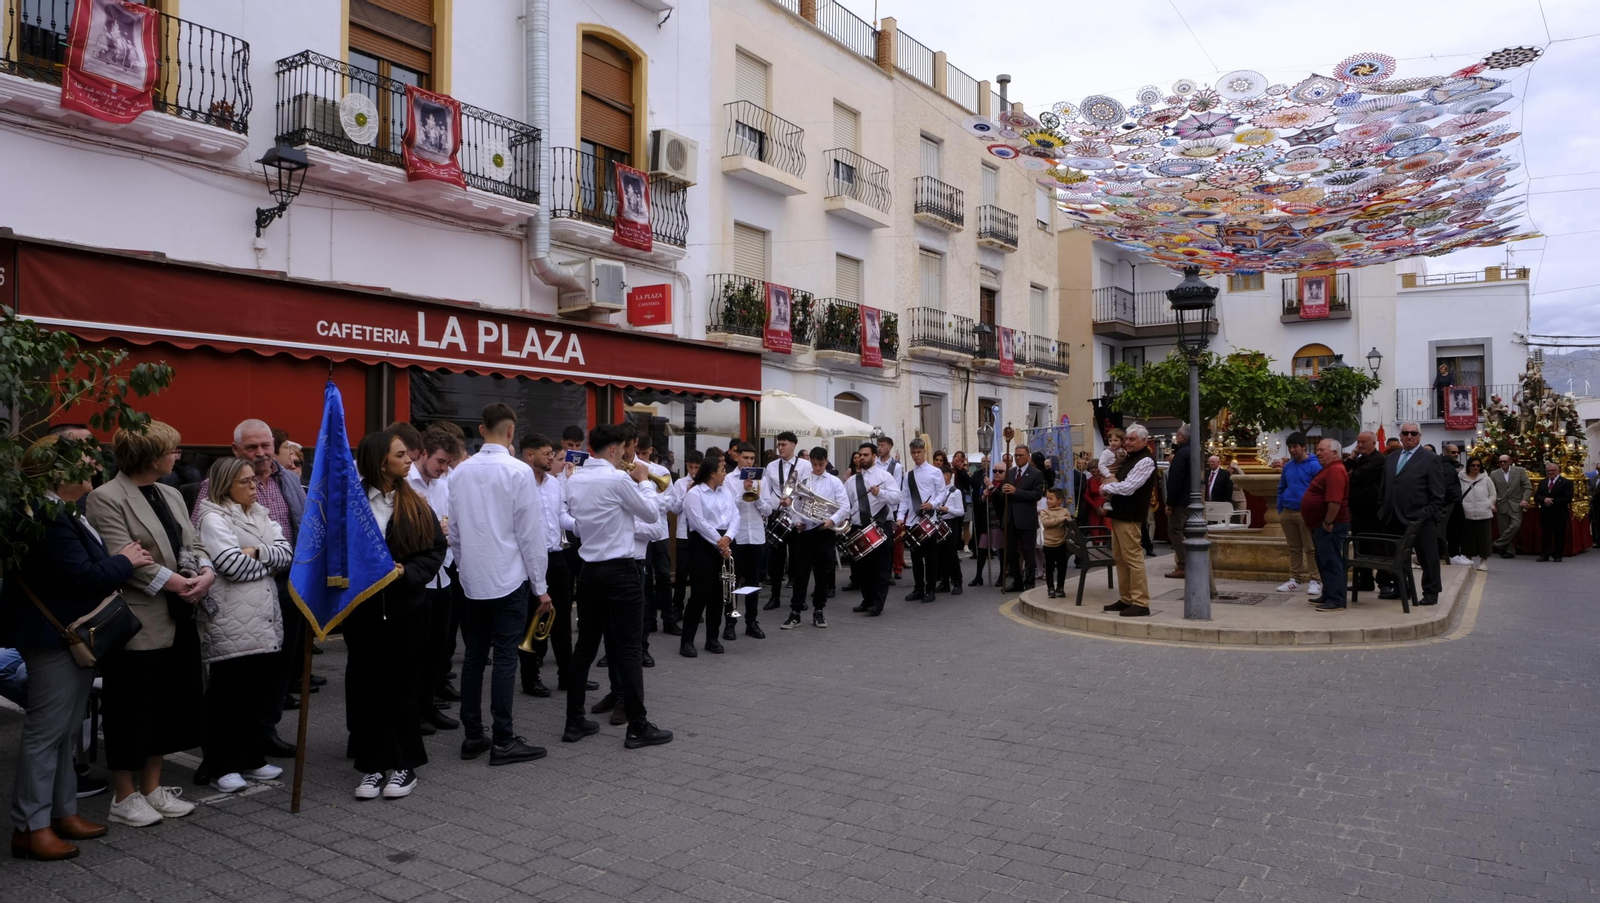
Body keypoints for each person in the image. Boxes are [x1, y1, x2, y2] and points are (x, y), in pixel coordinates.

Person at [4, 437, 147, 860]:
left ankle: (62, 813)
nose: (94, 464)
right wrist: (125, 560)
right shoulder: (42, 515)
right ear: (57, 470)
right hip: (55, 639)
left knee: (66, 732)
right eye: (85, 459)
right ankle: (30, 827)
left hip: (75, 638)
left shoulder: (64, 511)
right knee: (46, 734)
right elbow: (82, 577)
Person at [86, 421, 213, 828]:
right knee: (130, 710)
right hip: (138, 622)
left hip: (180, 614)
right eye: (172, 450)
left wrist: (204, 575)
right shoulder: (106, 498)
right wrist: (182, 584)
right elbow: (126, 559)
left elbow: (192, 543)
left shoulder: (171, 492)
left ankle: (153, 788)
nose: (178, 456)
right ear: (151, 455)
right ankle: (124, 796)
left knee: (167, 706)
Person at [190, 418, 306, 760]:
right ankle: (222, 754)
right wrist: (271, 560)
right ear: (236, 450)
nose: (260, 453)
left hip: (286, 586)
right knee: (234, 676)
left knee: (277, 667)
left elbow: (291, 542)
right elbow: (208, 545)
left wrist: (261, 554)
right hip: (238, 594)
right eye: (251, 447)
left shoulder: (288, 479)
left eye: (265, 445)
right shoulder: (217, 487)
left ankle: (263, 733)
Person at [346, 430, 448, 799]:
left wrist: (409, 573)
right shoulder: (351, 504)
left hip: (407, 610)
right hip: (365, 612)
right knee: (370, 689)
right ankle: (372, 766)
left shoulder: (416, 503)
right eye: (400, 455)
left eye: (407, 455)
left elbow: (435, 549)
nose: (408, 460)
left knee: (405, 689)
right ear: (379, 461)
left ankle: (405, 765)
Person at [447, 404, 550, 767]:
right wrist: (541, 585)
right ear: (511, 432)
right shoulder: (518, 472)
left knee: (475, 655)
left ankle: (473, 735)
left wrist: (465, 567)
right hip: (508, 577)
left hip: (473, 578)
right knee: (505, 656)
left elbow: (455, 532)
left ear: (481, 428)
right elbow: (530, 534)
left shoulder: (460, 473)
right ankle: (503, 738)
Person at [565, 425, 672, 749]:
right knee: (627, 649)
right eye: (623, 450)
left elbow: (580, 528)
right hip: (621, 572)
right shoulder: (619, 479)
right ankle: (638, 726)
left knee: (585, 647)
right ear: (613, 450)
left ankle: (573, 721)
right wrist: (643, 481)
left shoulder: (574, 479)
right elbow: (652, 513)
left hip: (589, 572)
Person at [194, 458, 293, 794]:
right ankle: (222, 765)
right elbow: (230, 565)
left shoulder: (259, 514)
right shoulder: (213, 518)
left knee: (257, 693)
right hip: (231, 621)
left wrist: (256, 554)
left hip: (262, 620)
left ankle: (250, 757)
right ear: (225, 486)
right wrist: (265, 561)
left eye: (254, 481)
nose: (255, 487)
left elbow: (286, 553)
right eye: (246, 482)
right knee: (227, 695)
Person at [514, 433, 576, 700]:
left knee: (561, 620)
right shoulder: (519, 483)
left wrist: (581, 524)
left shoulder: (553, 484)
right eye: (547, 453)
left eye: (553, 453)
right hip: (527, 559)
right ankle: (530, 679)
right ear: (530, 455)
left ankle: (567, 676)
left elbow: (560, 516)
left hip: (556, 557)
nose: (553, 457)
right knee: (531, 621)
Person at [407, 427, 461, 732]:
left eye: (447, 463)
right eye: (440, 461)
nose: (443, 468)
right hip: (419, 577)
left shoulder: (442, 484)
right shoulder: (406, 484)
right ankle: (413, 711)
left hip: (443, 572)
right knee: (418, 649)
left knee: (439, 647)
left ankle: (428, 705)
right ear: (423, 454)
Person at [1380, 422, 1446, 605]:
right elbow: (1384, 487)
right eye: (1406, 433)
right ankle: (1403, 588)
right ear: (1400, 436)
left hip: (1420, 518)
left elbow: (1438, 493)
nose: (1409, 436)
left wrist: (1426, 513)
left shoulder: (1430, 458)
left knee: (1428, 557)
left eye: (1413, 433)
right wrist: (1383, 509)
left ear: (1419, 436)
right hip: (1394, 517)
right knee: (1398, 557)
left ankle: (1431, 592)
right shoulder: (1391, 458)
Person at [781, 447, 846, 629]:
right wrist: (797, 521)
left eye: (821, 464)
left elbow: (845, 507)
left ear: (826, 461)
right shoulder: (803, 480)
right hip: (805, 532)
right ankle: (795, 613)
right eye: (814, 464)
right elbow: (794, 505)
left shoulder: (834, 482)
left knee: (822, 573)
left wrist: (831, 520)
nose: (817, 467)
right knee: (800, 573)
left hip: (824, 532)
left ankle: (819, 611)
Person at [680, 451, 735, 654]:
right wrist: (720, 543)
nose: (724, 474)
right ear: (712, 473)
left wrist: (728, 538)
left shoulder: (726, 492)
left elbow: (734, 516)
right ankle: (687, 640)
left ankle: (712, 638)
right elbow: (699, 523)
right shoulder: (695, 494)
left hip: (724, 543)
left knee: (718, 595)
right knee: (700, 594)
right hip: (703, 545)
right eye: (722, 470)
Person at [1100, 424, 1156, 617]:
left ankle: (1140, 602)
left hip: (1130, 516)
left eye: (1132, 439)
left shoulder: (1145, 460)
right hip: (1119, 514)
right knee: (1120, 558)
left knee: (1133, 559)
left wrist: (1107, 489)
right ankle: (1126, 598)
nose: (1128, 442)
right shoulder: (1129, 458)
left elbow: (1128, 487)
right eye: (1127, 439)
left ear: (1144, 440)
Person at [845, 444, 900, 616]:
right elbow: (847, 505)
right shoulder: (852, 480)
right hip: (859, 526)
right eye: (860, 455)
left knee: (880, 568)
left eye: (866, 455)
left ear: (874, 456)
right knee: (862, 569)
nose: (862, 458)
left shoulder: (885, 476)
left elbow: (897, 497)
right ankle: (867, 599)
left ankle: (878, 603)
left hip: (880, 525)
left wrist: (880, 493)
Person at [1302, 439, 1350, 613]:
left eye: (1322, 450)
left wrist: (1328, 522)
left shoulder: (1336, 470)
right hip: (1322, 525)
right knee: (1323, 560)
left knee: (1331, 561)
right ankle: (1328, 593)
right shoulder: (1329, 470)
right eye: (1317, 450)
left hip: (1331, 526)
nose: (1318, 453)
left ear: (1335, 453)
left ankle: (1336, 599)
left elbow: (1335, 501)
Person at [725, 442, 768, 637]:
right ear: (737, 457)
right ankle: (730, 622)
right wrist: (743, 493)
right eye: (745, 458)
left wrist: (756, 496)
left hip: (756, 536)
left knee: (753, 582)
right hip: (737, 537)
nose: (749, 462)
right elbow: (726, 509)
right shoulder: (728, 479)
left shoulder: (762, 479)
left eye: (752, 458)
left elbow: (767, 510)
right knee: (733, 582)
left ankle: (751, 621)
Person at [898, 439, 949, 603]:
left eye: (918, 452)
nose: (916, 455)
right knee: (915, 558)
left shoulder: (935, 472)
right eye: (913, 452)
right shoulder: (908, 475)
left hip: (929, 520)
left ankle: (931, 589)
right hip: (913, 521)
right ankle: (918, 588)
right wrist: (900, 517)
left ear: (924, 451)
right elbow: (904, 498)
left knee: (931, 557)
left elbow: (942, 493)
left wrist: (932, 504)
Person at [1274, 433, 1321, 596]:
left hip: (1306, 513)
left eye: (1295, 447)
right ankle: (1295, 579)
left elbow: (1319, 490)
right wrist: (1280, 508)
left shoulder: (1315, 466)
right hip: (1288, 511)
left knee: (1311, 548)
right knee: (1293, 548)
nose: (1292, 450)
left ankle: (1315, 580)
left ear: (1303, 447)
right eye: (1290, 447)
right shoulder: (1288, 467)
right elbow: (1281, 487)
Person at [1345, 431, 1391, 594]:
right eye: (1358, 442)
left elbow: (1357, 477)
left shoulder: (1379, 460)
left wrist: (1351, 473)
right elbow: (1344, 472)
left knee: (1377, 548)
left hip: (1374, 514)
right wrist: (1351, 458)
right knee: (1360, 548)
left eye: (1364, 442)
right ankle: (1364, 581)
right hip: (1358, 512)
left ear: (1373, 443)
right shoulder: (1359, 460)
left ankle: (1384, 582)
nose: (1360, 445)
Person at [760, 432, 802, 611]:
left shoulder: (805, 465)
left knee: (798, 559)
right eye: (779, 444)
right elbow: (766, 490)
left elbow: (807, 490)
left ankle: (799, 598)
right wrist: (770, 506)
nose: (780, 447)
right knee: (775, 560)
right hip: (777, 515)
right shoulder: (771, 466)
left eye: (784, 444)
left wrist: (793, 500)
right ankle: (774, 597)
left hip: (797, 516)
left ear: (793, 445)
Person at [666, 450, 702, 634]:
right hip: (682, 533)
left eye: (697, 467)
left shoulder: (704, 483)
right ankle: (677, 607)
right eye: (691, 467)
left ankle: (695, 607)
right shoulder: (680, 483)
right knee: (681, 573)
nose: (694, 471)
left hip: (699, 534)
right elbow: (674, 508)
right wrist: (686, 493)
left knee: (697, 574)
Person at [1002, 443, 1045, 592]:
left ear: (1028, 456)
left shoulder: (1036, 474)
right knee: (1011, 552)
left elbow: (1036, 495)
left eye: (1021, 455)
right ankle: (1017, 580)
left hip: (1026, 518)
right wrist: (1002, 490)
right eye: (1016, 455)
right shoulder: (1010, 472)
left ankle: (1029, 581)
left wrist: (1016, 492)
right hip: (1011, 518)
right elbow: (1005, 493)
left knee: (1028, 552)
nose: (1018, 458)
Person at [1164, 424, 1195, 579]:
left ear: (1183, 437)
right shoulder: (1195, 451)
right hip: (1193, 498)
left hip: (1181, 500)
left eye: (1177, 435)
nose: (1176, 438)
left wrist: (1170, 502)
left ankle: (1183, 565)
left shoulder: (1182, 453)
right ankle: (1192, 562)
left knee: (1175, 530)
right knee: (1190, 531)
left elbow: (1175, 479)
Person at [1457, 457, 1497, 571]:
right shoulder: (1460, 479)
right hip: (1466, 513)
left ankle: (1484, 561)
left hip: (1483, 513)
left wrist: (1488, 504)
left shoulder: (1486, 479)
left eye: (1478, 465)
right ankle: (1468, 560)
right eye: (1473, 465)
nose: (1475, 468)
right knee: (1468, 538)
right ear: (1468, 466)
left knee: (1484, 538)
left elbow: (1493, 494)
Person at [1489, 454, 1531, 559]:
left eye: (1504, 461)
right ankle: (1509, 551)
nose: (1502, 463)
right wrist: (1492, 503)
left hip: (1516, 504)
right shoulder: (1494, 474)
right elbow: (1491, 490)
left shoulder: (1519, 471)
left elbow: (1527, 487)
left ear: (1510, 461)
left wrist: (1525, 499)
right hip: (1501, 504)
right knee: (1503, 529)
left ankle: (1496, 544)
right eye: (1500, 462)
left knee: (1516, 525)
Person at [876, 437, 904, 581]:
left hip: (889, 507)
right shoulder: (873, 464)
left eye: (883, 445)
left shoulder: (896, 466)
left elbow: (896, 488)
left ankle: (892, 570)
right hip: (874, 507)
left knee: (890, 542)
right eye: (878, 445)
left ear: (890, 447)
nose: (880, 448)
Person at [935, 462, 965, 596]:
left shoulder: (955, 492)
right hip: (939, 522)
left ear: (948, 476)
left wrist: (948, 509)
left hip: (951, 522)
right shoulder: (937, 491)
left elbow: (961, 511)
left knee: (952, 554)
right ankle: (944, 582)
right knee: (940, 554)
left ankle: (957, 582)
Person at [1534, 462, 1572, 562]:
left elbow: (1567, 497)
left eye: (1552, 470)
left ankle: (1558, 554)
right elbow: (1537, 496)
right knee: (1545, 535)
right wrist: (1544, 499)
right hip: (1545, 513)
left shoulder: (1566, 482)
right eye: (1548, 471)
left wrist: (1552, 502)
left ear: (1558, 470)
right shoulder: (1543, 482)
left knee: (1559, 535)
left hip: (1559, 513)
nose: (1550, 472)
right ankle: (1545, 554)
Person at [1038, 488, 1070, 599]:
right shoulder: (1044, 511)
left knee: (1062, 567)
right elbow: (1047, 523)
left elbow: (1069, 524)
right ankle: (1050, 588)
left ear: (1059, 500)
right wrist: (1061, 519)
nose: (1048, 501)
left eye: (1051, 498)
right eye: (1047, 498)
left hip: (1062, 543)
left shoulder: (1065, 511)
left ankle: (1060, 587)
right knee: (1049, 568)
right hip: (1049, 545)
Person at [1440, 444, 1468, 565]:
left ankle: (1456, 553)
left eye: (1457, 452)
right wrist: (1455, 500)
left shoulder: (1450, 466)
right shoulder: (1447, 467)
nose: (1456, 454)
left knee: (1457, 528)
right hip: (1452, 503)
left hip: (1454, 502)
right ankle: (1453, 554)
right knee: (1454, 529)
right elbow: (1448, 486)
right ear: (1446, 452)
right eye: (1453, 452)